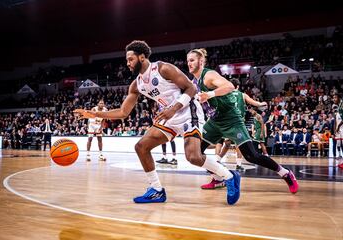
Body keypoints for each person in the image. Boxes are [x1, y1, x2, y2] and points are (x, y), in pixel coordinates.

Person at [74, 40, 241, 205]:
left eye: (130, 59)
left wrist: (173, 109)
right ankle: (156, 190)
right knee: (141, 147)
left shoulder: (162, 68)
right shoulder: (136, 84)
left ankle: (229, 176)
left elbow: (191, 88)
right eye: (126, 60)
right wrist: (94, 113)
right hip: (168, 116)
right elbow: (124, 112)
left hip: (188, 112)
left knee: (193, 157)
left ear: (141, 57)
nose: (127, 63)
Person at [187, 48, 298, 193]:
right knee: (195, 153)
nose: (189, 63)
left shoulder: (209, 75)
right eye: (188, 60)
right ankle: (219, 178)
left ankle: (285, 173)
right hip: (214, 121)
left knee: (252, 156)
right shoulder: (194, 81)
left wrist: (210, 94)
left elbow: (229, 86)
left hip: (231, 119)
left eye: (192, 60)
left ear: (201, 61)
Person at [214, 79, 268, 172]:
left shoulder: (225, 94)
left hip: (227, 122)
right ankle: (238, 164)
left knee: (226, 144)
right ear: (238, 86)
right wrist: (262, 103)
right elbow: (255, 103)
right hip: (237, 123)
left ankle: (217, 161)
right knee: (238, 144)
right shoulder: (242, 95)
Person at [333, 94, 343, 168]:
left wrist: (338, 126)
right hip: (340, 128)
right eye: (333, 98)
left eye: (335, 97)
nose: (334, 99)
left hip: (341, 127)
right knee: (341, 144)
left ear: (339, 98)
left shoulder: (342, 105)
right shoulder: (338, 107)